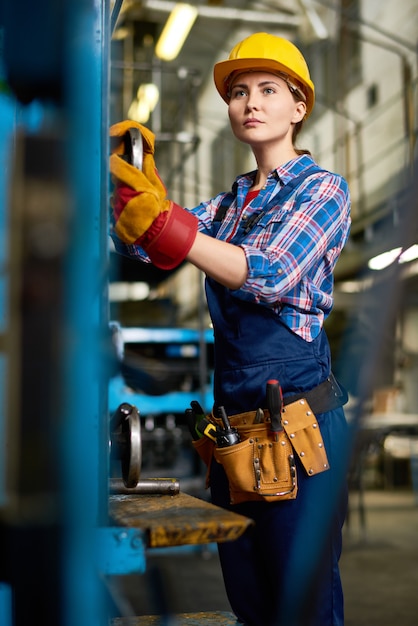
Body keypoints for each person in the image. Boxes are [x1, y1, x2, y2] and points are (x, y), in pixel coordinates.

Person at [109, 32, 351, 626]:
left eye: (269, 90)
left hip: (300, 434)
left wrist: (172, 229)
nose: (251, 102)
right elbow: (150, 253)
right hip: (234, 436)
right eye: (239, 92)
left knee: (303, 603)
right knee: (252, 603)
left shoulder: (324, 191)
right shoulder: (230, 202)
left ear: (299, 107)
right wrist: (128, 195)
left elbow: (271, 272)